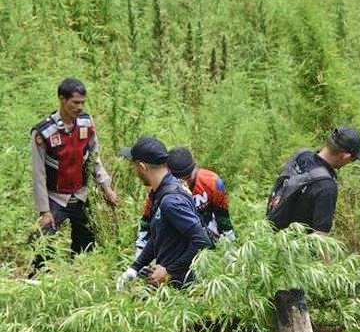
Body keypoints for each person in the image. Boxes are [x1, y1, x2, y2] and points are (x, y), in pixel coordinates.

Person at [30, 78, 119, 272]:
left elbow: (95, 158)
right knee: (42, 244)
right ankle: (38, 279)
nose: (79, 107)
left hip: (80, 195)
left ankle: (77, 276)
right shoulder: (44, 132)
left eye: (82, 103)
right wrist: (44, 211)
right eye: (75, 102)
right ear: (62, 99)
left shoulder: (86, 124)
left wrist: (107, 188)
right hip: (55, 198)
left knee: (86, 245)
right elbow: (38, 174)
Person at [115, 137, 212, 289]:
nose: (135, 171)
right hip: (167, 284)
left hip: (183, 289)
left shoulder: (171, 202)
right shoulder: (160, 192)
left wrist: (169, 271)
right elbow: (158, 235)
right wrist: (134, 268)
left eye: (134, 166)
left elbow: (202, 241)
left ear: (142, 166)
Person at [266, 126, 360, 234]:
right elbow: (320, 237)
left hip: (271, 235)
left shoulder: (302, 154)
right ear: (345, 156)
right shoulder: (327, 187)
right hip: (297, 247)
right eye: (353, 159)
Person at [136, 148, 234, 252]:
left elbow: (223, 220)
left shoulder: (212, 182)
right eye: (180, 180)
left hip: (208, 236)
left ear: (195, 169)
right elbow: (146, 224)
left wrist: (230, 252)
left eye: (188, 178)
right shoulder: (158, 189)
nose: (185, 185)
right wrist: (139, 253)